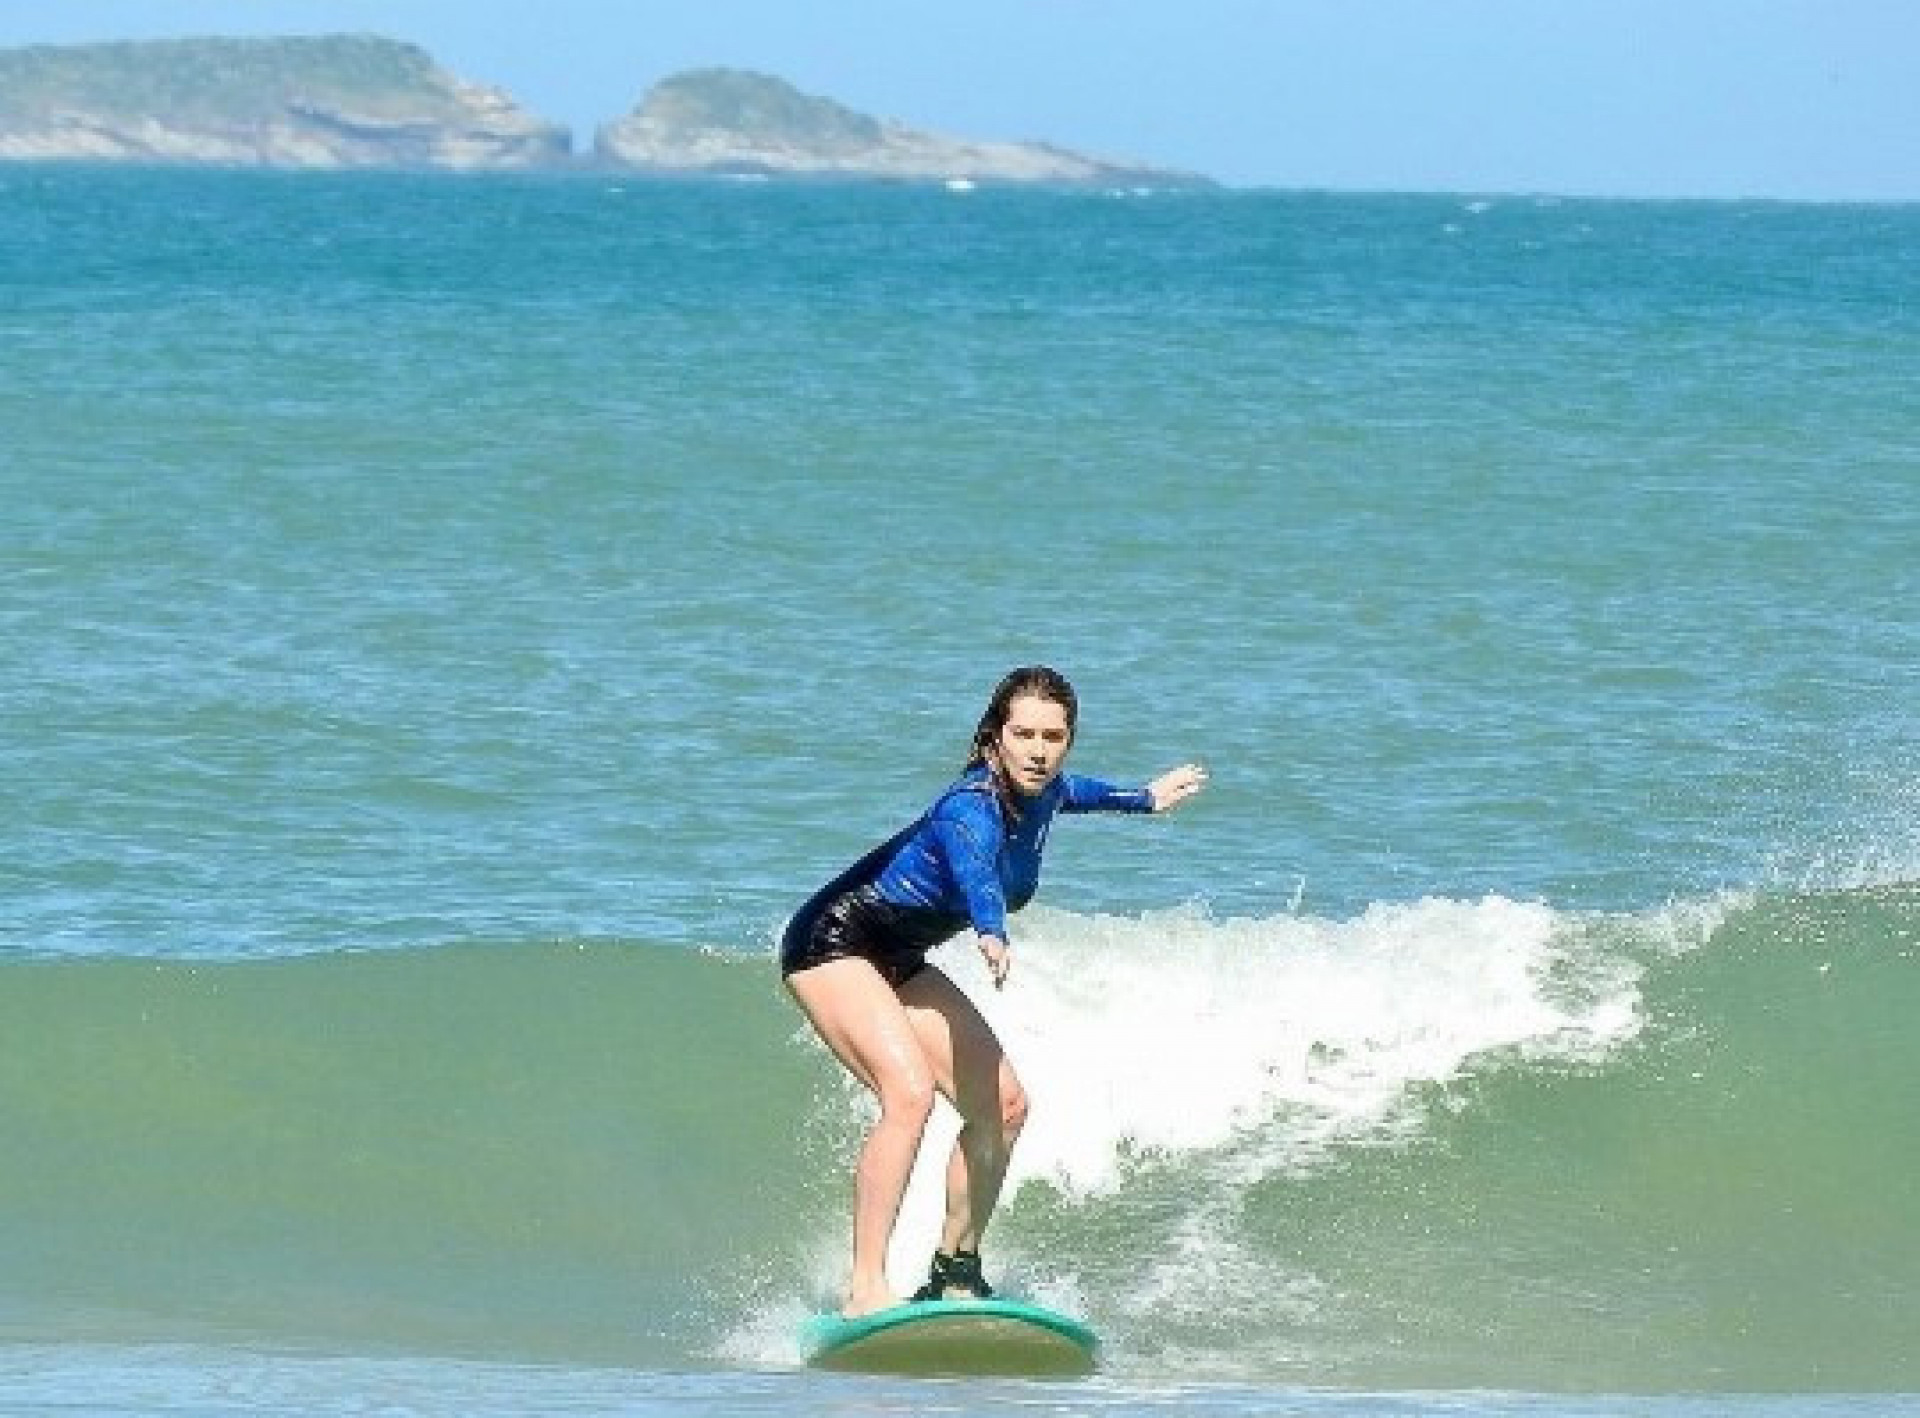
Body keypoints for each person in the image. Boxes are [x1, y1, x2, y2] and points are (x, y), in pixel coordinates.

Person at [780, 665, 1208, 1317]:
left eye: (1054, 736)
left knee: (1004, 1106)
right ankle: (864, 1285)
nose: (1039, 749)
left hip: (897, 954)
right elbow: (975, 867)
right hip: (834, 942)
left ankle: (956, 1269)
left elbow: (1079, 793)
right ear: (995, 737)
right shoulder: (968, 806)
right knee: (909, 1095)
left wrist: (1145, 798)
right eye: (1024, 733)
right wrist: (990, 932)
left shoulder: (1046, 791)